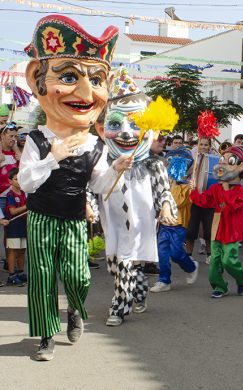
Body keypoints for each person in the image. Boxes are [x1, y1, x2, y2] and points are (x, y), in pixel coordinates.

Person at [19, 14, 131, 361]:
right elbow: (26, 182)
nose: (85, 93)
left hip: (72, 220)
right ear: (38, 79)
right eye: (69, 77)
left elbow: (98, 184)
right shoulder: (37, 140)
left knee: (79, 277)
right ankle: (46, 337)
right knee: (41, 279)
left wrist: (116, 168)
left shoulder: (94, 146)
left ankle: (74, 311)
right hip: (40, 219)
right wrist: (51, 156)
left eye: (96, 80)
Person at [97, 68, 177, 327]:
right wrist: (88, 207)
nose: (127, 133)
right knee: (116, 266)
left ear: (150, 131)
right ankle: (140, 289)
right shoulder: (101, 161)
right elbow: (92, 188)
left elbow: (164, 191)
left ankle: (119, 308)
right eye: (116, 124)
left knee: (126, 263)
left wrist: (165, 207)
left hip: (139, 223)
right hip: (112, 224)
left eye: (136, 124)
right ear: (101, 129)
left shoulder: (154, 165)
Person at [190, 146, 243, 298]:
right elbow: (204, 201)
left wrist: (225, 188)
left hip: (232, 228)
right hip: (217, 226)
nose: (223, 164)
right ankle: (219, 286)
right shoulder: (216, 188)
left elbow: (232, 206)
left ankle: (241, 279)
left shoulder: (241, 190)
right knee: (215, 261)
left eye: (229, 161)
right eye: (222, 160)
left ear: (241, 167)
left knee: (228, 260)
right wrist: (193, 191)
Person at [151, 147, 198, 293]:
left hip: (178, 224)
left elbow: (179, 203)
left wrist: (189, 188)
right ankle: (164, 280)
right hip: (164, 223)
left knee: (176, 253)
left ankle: (191, 266)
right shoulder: (163, 183)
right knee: (162, 252)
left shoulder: (186, 186)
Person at [186, 137, 214, 264]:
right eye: (201, 144)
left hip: (209, 200)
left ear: (209, 146)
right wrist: (192, 169)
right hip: (194, 199)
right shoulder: (192, 159)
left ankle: (209, 255)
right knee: (191, 230)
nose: (203, 147)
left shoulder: (214, 160)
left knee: (208, 230)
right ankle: (189, 255)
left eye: (205, 144)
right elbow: (184, 175)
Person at [4, 168, 27, 286]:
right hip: (13, 226)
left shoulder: (23, 193)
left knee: (22, 250)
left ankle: (21, 272)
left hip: (23, 225)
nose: (19, 181)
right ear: (10, 181)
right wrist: (27, 206)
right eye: (16, 179)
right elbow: (12, 211)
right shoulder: (10, 194)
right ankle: (11, 275)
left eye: (21, 179)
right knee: (13, 251)